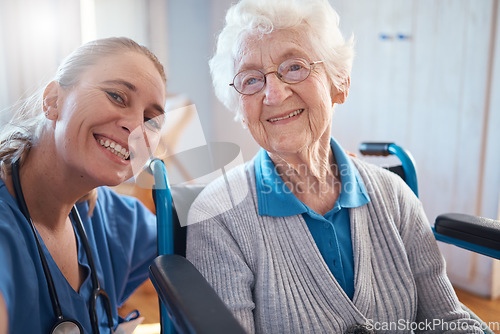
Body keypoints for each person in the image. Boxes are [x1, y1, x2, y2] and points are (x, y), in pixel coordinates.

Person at [186, 0, 483, 333]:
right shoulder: (218, 218)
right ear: (241, 108)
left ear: (340, 83)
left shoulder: (395, 196)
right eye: (251, 79)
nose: (273, 93)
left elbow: (447, 320)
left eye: (294, 66)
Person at [0, 37, 167, 333]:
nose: (136, 127)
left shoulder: (112, 219)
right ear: (53, 100)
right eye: (117, 96)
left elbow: (207, 234)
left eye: (151, 119)